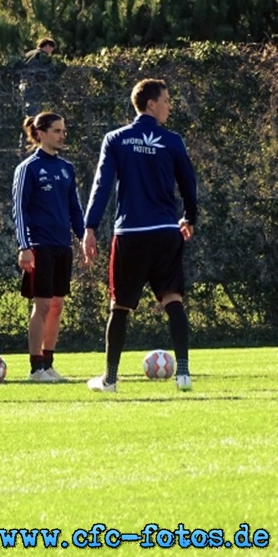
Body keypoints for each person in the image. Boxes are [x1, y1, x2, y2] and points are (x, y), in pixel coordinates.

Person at [82, 78, 198, 393]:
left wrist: (89, 226)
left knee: (119, 306)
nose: (170, 105)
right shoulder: (173, 141)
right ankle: (184, 375)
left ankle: (110, 380)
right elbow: (189, 182)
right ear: (151, 104)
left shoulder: (116, 139)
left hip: (131, 233)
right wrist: (190, 217)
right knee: (173, 299)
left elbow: (101, 185)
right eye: (166, 99)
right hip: (165, 231)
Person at [12, 112, 85, 382]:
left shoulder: (67, 168)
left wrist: (84, 237)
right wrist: (24, 246)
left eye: (63, 130)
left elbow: (75, 209)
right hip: (39, 245)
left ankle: (49, 363)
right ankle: (35, 368)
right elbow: (18, 210)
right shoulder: (28, 168)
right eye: (56, 131)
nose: (62, 135)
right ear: (40, 133)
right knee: (41, 305)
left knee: (56, 305)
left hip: (61, 245)